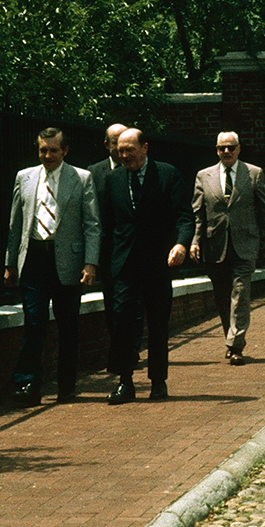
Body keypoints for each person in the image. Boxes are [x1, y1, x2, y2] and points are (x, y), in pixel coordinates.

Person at [4, 128, 99, 405]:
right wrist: (10, 263)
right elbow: (15, 225)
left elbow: (93, 225)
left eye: (53, 150)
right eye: (43, 150)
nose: (48, 156)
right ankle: (27, 385)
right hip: (34, 258)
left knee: (68, 326)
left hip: (68, 261)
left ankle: (66, 387)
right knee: (34, 322)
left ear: (65, 150)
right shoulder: (25, 177)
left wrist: (90, 262)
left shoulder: (82, 178)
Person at [100, 128, 193, 404]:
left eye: (129, 149)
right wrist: (102, 263)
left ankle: (158, 381)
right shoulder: (113, 179)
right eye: (120, 150)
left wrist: (180, 244)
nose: (124, 155)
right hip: (125, 264)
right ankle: (125, 381)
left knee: (157, 322)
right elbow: (108, 224)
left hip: (157, 262)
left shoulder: (167, 174)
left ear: (145, 147)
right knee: (122, 321)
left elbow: (184, 216)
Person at [191, 131, 265, 365]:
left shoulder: (253, 174)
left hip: (245, 244)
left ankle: (235, 345)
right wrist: (195, 241)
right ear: (216, 150)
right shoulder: (204, 176)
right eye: (222, 148)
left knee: (240, 293)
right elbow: (198, 214)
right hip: (215, 245)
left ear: (239, 149)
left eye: (231, 147)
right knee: (223, 297)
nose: (227, 152)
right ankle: (230, 339)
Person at [88, 123, 135, 369]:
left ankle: (128, 351)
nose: (121, 148)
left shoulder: (137, 169)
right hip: (107, 252)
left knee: (131, 304)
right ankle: (120, 351)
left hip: (132, 249)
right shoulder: (93, 173)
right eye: (116, 142)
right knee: (112, 303)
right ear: (107, 145)